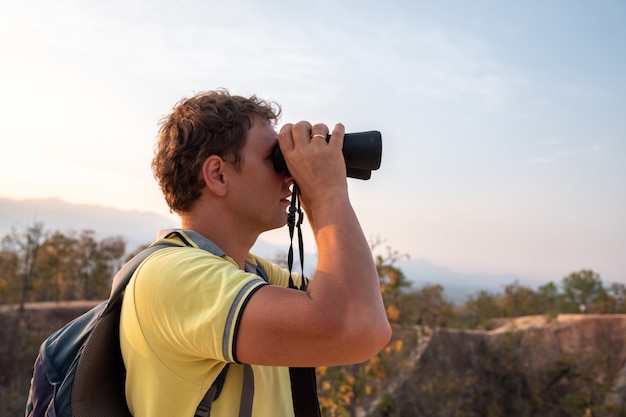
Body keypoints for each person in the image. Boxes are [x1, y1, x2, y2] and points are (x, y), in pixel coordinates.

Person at [119, 89, 392, 416]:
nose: (289, 174)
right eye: (274, 158)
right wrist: (327, 192)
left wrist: (320, 186)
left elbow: (352, 304)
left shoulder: (253, 275)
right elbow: (358, 327)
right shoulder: (172, 276)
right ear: (218, 174)